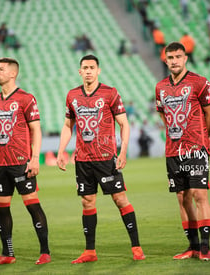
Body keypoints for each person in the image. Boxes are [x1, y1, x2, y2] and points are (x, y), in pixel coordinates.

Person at [56, 54, 145, 264]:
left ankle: (136, 247)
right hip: (83, 160)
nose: (88, 71)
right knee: (87, 202)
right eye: (84, 68)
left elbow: (124, 124)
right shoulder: (72, 96)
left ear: (98, 71)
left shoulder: (110, 93)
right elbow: (68, 126)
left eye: (92, 67)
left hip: (106, 158)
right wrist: (61, 151)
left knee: (120, 199)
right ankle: (90, 251)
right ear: (80, 71)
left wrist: (123, 152)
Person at [0, 57, 51, 266]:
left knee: (32, 204)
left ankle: (45, 252)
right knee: (0, 207)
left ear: (12, 73)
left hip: (21, 161)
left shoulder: (26, 98)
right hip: (0, 163)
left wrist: (35, 159)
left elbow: (36, 130)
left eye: (1, 69)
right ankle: (7, 253)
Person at [155, 42, 210, 261]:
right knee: (182, 198)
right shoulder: (160, 87)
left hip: (196, 148)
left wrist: (202, 135)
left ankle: (205, 247)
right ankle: (192, 246)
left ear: (185, 58)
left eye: (178, 56)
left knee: (200, 194)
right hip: (173, 151)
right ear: (166, 60)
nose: (174, 60)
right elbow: (163, 114)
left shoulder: (199, 82)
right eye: (170, 57)